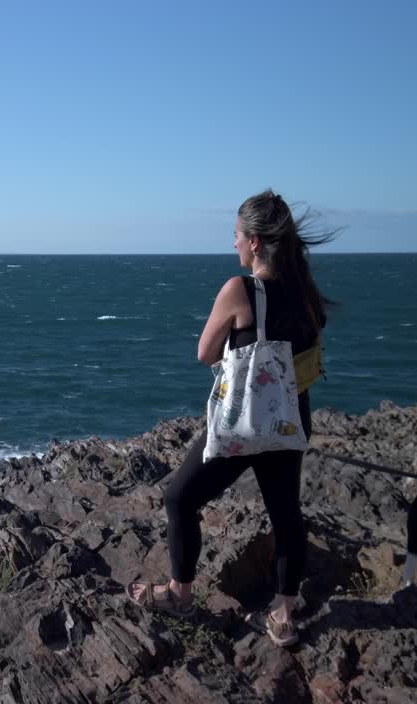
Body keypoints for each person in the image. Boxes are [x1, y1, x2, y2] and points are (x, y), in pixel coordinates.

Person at [127, 189, 331, 647]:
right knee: (285, 514)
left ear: (255, 242)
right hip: (289, 418)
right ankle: (283, 613)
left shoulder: (240, 290)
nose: (234, 244)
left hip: (244, 420)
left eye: (237, 236)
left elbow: (203, 354)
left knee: (180, 497)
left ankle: (179, 592)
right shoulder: (305, 293)